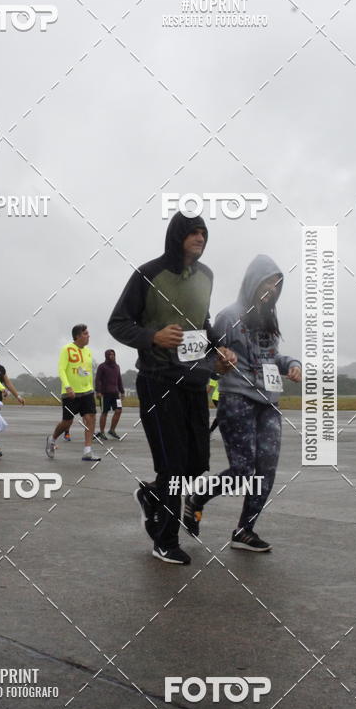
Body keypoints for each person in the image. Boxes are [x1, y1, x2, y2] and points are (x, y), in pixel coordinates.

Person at [108, 213, 236, 565]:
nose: (199, 238)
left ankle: (151, 495)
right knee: (173, 465)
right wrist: (153, 337)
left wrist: (219, 350)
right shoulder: (148, 274)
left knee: (195, 465)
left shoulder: (206, 276)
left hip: (195, 381)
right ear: (177, 235)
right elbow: (118, 323)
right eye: (193, 232)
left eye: (203, 233)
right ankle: (165, 539)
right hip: (158, 380)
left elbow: (202, 325)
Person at [183, 255, 302, 552]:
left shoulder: (268, 320)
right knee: (242, 470)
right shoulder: (228, 316)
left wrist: (293, 364)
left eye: (277, 284)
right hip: (237, 399)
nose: (272, 288)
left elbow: (273, 356)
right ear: (253, 282)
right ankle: (198, 496)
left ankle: (244, 530)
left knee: (267, 469)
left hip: (269, 402)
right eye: (267, 281)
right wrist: (219, 360)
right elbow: (202, 353)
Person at [45, 324, 101, 462]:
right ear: (78, 336)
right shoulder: (67, 349)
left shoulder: (88, 351)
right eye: (86, 333)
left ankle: (87, 451)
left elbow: (86, 371)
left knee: (91, 418)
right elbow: (61, 369)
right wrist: (68, 386)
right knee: (67, 422)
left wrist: (91, 388)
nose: (88, 336)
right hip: (71, 393)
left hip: (87, 391)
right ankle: (52, 439)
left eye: (88, 333)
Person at [95, 349, 125, 440]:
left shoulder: (117, 366)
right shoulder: (102, 366)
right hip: (105, 394)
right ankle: (102, 432)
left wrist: (122, 391)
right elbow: (97, 379)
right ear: (106, 356)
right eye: (110, 354)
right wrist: (98, 391)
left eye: (113, 354)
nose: (112, 356)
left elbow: (119, 380)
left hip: (115, 394)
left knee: (119, 410)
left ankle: (112, 430)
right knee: (104, 412)